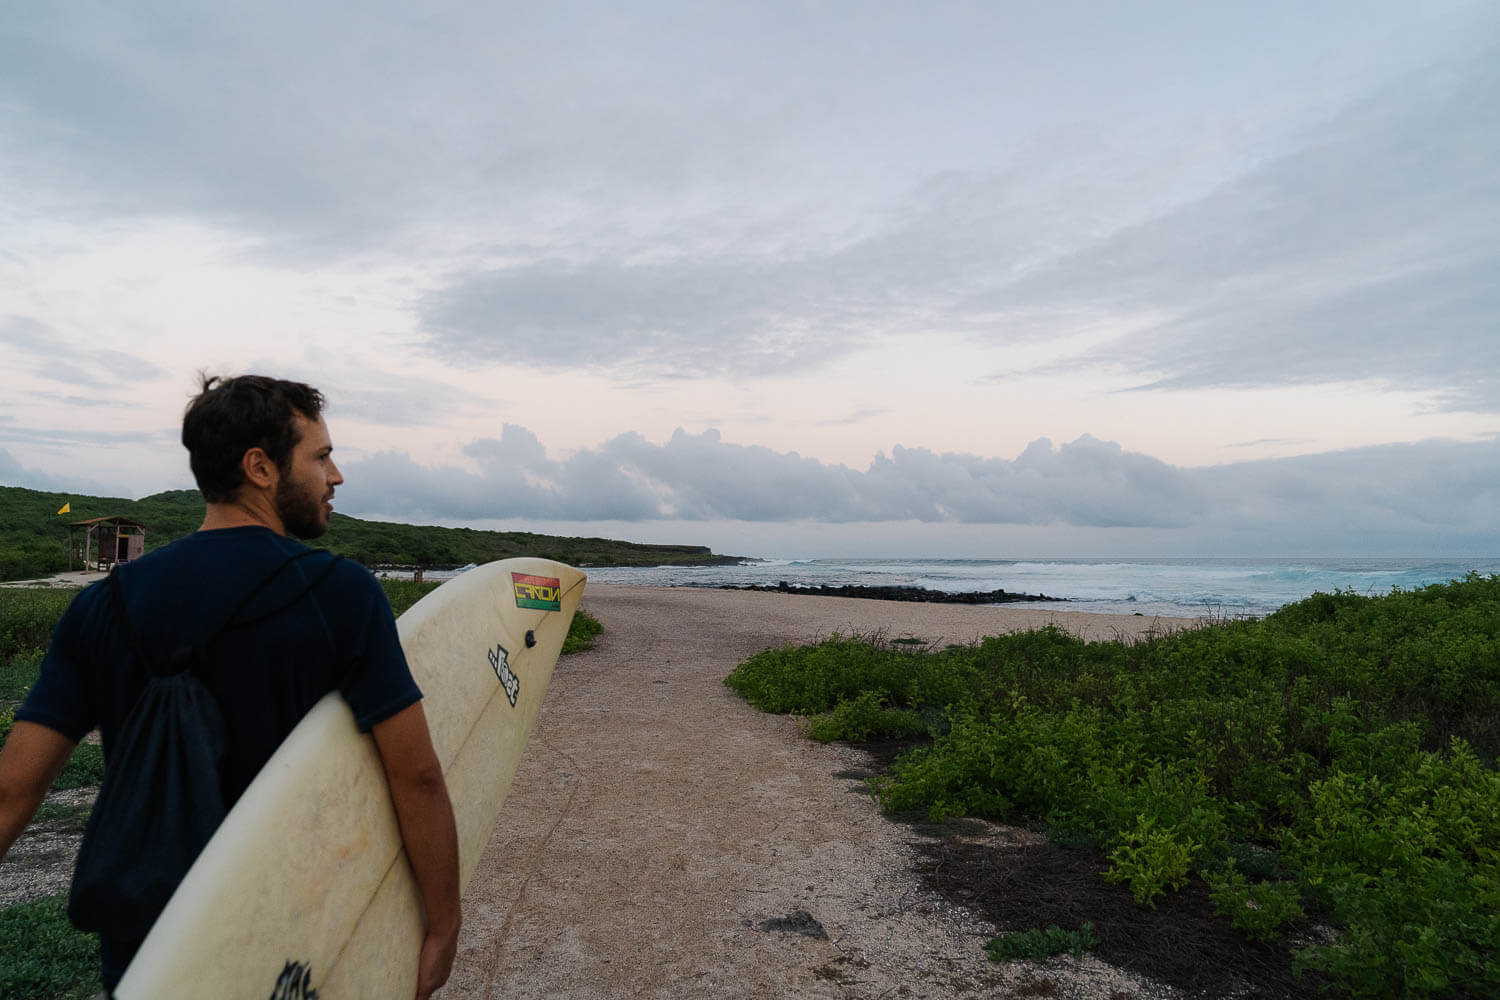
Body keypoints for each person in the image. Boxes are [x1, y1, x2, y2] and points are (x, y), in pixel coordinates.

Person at [0, 374, 460, 999]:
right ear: (260, 468)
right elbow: (417, 776)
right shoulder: (340, 594)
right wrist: (443, 922)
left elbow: (12, 789)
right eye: (321, 456)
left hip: (151, 954)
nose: (337, 476)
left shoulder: (101, 606)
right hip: (295, 948)